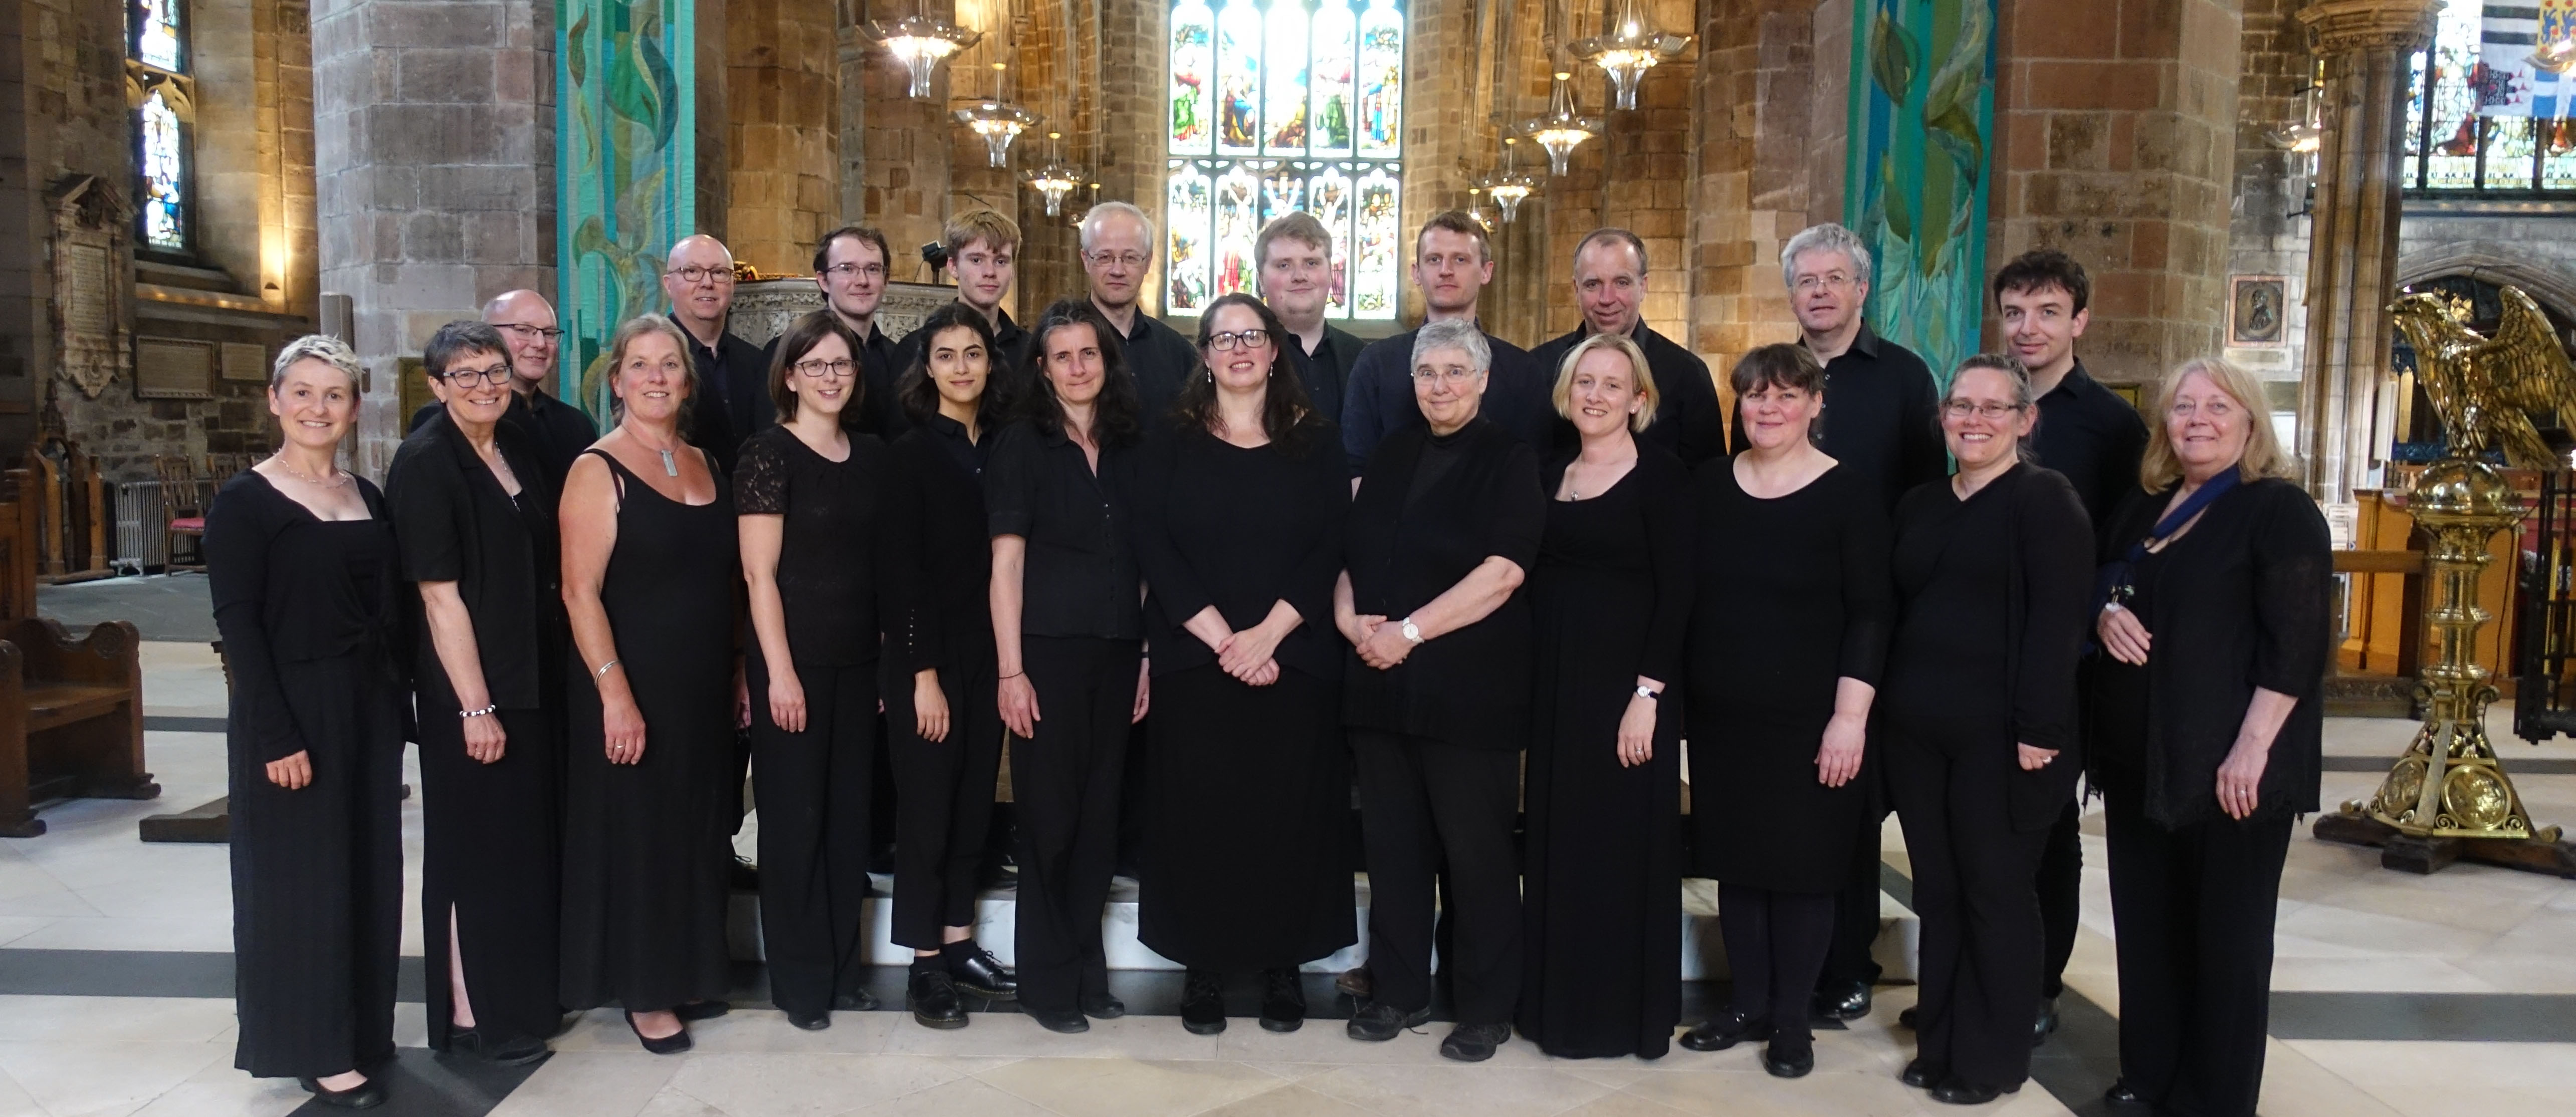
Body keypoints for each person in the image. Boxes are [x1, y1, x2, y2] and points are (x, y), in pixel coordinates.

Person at [2090, 358, 2329, 1117]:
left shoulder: (2278, 511)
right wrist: (2104, 612)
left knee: (2225, 943)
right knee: (2148, 930)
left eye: (2216, 407)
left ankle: (2213, 1096)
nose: (2197, 419)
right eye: (2183, 407)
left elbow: (2297, 646)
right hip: (2145, 764)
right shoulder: (2146, 503)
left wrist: (2252, 747)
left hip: (2232, 769)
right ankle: (2148, 1073)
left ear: (2251, 421)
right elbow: (2106, 572)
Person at [1130, 294, 1355, 1035]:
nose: (1238, 350)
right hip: (1197, 658)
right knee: (1202, 814)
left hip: (1295, 658)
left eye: (1251, 337)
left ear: (1273, 349)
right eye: (1223, 339)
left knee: (1289, 815)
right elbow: (1154, 544)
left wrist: (1269, 636)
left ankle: (1282, 966)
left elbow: (1330, 544)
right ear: (1204, 354)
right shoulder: (1168, 438)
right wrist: (1226, 638)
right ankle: (1203, 968)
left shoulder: (1316, 439)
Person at [1745, 221, 1946, 1022]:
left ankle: (1848, 962)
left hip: (1866, 619)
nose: (1820, 292)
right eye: (1806, 281)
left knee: (1849, 802)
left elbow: (1926, 498)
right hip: (1777, 625)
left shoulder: (1902, 379)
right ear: (1791, 292)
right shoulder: (1768, 376)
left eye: (1835, 279)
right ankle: (1776, 972)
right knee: (1778, 797)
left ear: (1863, 289)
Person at [1882, 354, 2091, 1105]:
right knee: (1938, 891)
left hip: (2006, 736)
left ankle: (1991, 1057)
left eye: (1992, 408)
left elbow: (2057, 624)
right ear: (1942, 419)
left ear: (2025, 420)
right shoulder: (1921, 504)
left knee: (1994, 890)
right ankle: (1939, 1040)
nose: (1973, 420)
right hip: (1917, 733)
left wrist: (2038, 728)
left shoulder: (2046, 501)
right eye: (1960, 407)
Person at [1677, 343, 1890, 1078]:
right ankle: (1749, 1004)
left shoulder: (1850, 495)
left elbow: (1870, 615)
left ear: (1815, 405)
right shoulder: (1707, 485)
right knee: (1737, 866)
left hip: (1812, 717)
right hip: (1721, 716)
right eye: (1756, 395)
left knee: (1802, 869)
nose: (1768, 408)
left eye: (1786, 395)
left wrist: (1850, 718)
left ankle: (1793, 1020)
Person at [1336, 319, 1545, 1062]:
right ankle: (1397, 991)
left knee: (1476, 854)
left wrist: (1408, 633)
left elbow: (1504, 574)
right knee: (1394, 851)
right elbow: (1350, 551)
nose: (1442, 386)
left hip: (1468, 691)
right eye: (1429, 374)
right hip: (1381, 689)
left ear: (1483, 381)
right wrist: (1350, 621)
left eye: (1457, 372)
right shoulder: (1392, 453)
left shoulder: (1510, 459)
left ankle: (1485, 1005)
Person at [208, 335, 406, 1109]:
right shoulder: (246, 503)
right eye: (303, 392)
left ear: (355, 408)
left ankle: (360, 1027)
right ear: (275, 400)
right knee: (302, 884)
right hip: (294, 709)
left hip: (366, 707)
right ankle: (312, 1044)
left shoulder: (368, 494)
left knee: (366, 869)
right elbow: (241, 630)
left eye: (334, 395)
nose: (317, 408)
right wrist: (275, 735)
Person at [557, 314, 740, 1054]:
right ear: (617, 381)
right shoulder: (595, 468)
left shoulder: (707, 463)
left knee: (696, 831)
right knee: (640, 838)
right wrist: (615, 693)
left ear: (686, 381)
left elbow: (722, 581)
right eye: (641, 365)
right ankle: (645, 988)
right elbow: (579, 591)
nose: (657, 377)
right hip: (632, 683)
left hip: (701, 686)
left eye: (670, 365)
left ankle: (690, 966)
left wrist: (734, 667)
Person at [386, 321, 566, 1068]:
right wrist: (473, 705)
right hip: (472, 689)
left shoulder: (514, 446)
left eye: (493, 371)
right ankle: (472, 1012)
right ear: (436, 386)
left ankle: (521, 996)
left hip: (529, 676)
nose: (486, 386)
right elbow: (439, 597)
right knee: (474, 852)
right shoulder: (427, 463)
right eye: (466, 376)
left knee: (519, 849)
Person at [1516, 333, 1689, 1060]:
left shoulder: (1662, 475)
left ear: (1638, 399)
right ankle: (1557, 1007)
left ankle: (1622, 1015)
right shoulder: (1550, 469)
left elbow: (1680, 593)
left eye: (1612, 384)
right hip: (1557, 688)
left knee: (1622, 852)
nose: (1595, 394)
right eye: (1584, 381)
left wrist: (1648, 693)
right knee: (1559, 845)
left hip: (1628, 692)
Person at [1994, 248, 2149, 1043]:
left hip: (2065, 660)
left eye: (2048, 312)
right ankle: (1981, 973)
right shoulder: (1981, 400)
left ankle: (2040, 981)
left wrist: (2104, 604)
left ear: (2079, 321)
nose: (2029, 328)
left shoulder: (2112, 424)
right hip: (1984, 650)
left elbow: (2133, 538)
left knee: (2049, 825)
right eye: (2016, 312)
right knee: (1985, 822)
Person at [986, 298, 1149, 1033]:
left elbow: (1144, 562)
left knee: (1099, 816)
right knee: (1050, 819)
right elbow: (1007, 564)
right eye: (1063, 356)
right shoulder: (1023, 443)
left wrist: (1144, 651)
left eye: (1090, 354)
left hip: (1118, 652)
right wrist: (1010, 671)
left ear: (1106, 363)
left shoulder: (1127, 444)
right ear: (1043, 367)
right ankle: (1047, 982)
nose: (1079, 367)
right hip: (1046, 655)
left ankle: (1088, 970)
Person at [736, 310, 897, 1030]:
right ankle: (801, 981)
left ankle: (843, 971)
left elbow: (882, 573)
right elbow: (759, 576)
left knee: (845, 825)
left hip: (860, 664)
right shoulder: (768, 454)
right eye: (817, 365)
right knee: (795, 824)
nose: (831, 377)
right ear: (791, 375)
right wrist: (779, 673)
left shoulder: (872, 457)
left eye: (843, 365)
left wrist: (890, 662)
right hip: (792, 666)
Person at [883, 303, 1020, 1029]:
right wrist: (922, 674)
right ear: (926, 367)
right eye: (947, 355)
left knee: (973, 805)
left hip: (987, 651)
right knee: (929, 810)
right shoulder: (909, 453)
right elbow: (902, 575)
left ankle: (960, 941)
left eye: (974, 353)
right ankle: (924, 963)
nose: (963, 366)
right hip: (926, 659)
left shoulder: (1002, 446)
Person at [1341, 210, 1552, 473]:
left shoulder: (1521, 369)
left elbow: (1537, 469)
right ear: (1416, 273)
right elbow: (1355, 467)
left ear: (1486, 272)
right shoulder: (1376, 363)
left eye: (1460, 260)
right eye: (1434, 259)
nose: (1446, 271)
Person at [1529, 230, 1727, 468]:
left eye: (1622, 283)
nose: (1607, 298)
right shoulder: (1538, 366)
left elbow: (1707, 479)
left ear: (1643, 286)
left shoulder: (1687, 373)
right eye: (1593, 284)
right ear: (1576, 289)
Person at [408, 290, 600, 491]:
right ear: (488, 336)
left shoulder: (576, 423)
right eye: (523, 330)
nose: (540, 344)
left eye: (550, 333)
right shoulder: (444, 419)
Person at [896, 210, 1035, 419]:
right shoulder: (915, 347)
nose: (990, 272)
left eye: (1001, 261)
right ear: (953, 267)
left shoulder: (1030, 349)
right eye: (977, 260)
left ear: (1013, 271)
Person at [1078, 201, 1198, 420]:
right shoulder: (1062, 349)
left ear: (1148, 262)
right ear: (1086, 260)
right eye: (1105, 257)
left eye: (1131, 258)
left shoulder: (1178, 352)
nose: (1118, 270)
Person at [663, 234, 771, 475]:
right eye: (692, 271)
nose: (707, 283)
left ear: (733, 284)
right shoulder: (649, 360)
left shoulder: (757, 360)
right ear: (668, 284)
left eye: (719, 273)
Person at [1256, 211, 1364, 425]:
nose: (1300, 276)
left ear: (1330, 273)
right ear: (1261, 280)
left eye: (1312, 263)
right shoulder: (1243, 357)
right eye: (1284, 265)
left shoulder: (1362, 358)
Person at [804, 225, 906, 440]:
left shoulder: (899, 356)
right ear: (823, 281)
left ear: (886, 280)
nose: (862, 281)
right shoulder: (797, 351)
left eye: (873, 269)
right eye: (847, 269)